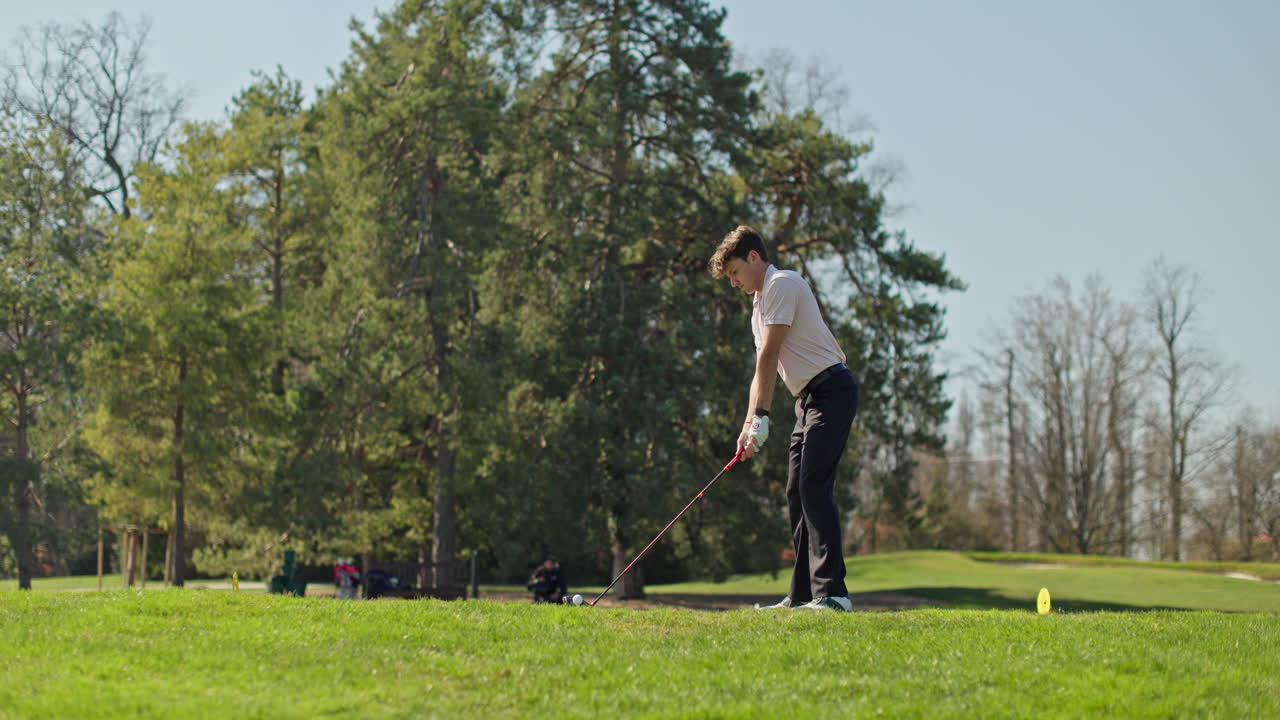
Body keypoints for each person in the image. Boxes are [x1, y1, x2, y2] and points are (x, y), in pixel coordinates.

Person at [709, 225, 859, 612]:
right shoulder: (758, 309)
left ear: (754, 257)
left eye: (735, 273)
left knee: (813, 485)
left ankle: (834, 594)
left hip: (832, 391)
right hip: (808, 400)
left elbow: (770, 354)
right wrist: (748, 425)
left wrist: (762, 415)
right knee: (796, 490)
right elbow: (763, 370)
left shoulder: (782, 284)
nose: (734, 283)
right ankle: (803, 595)